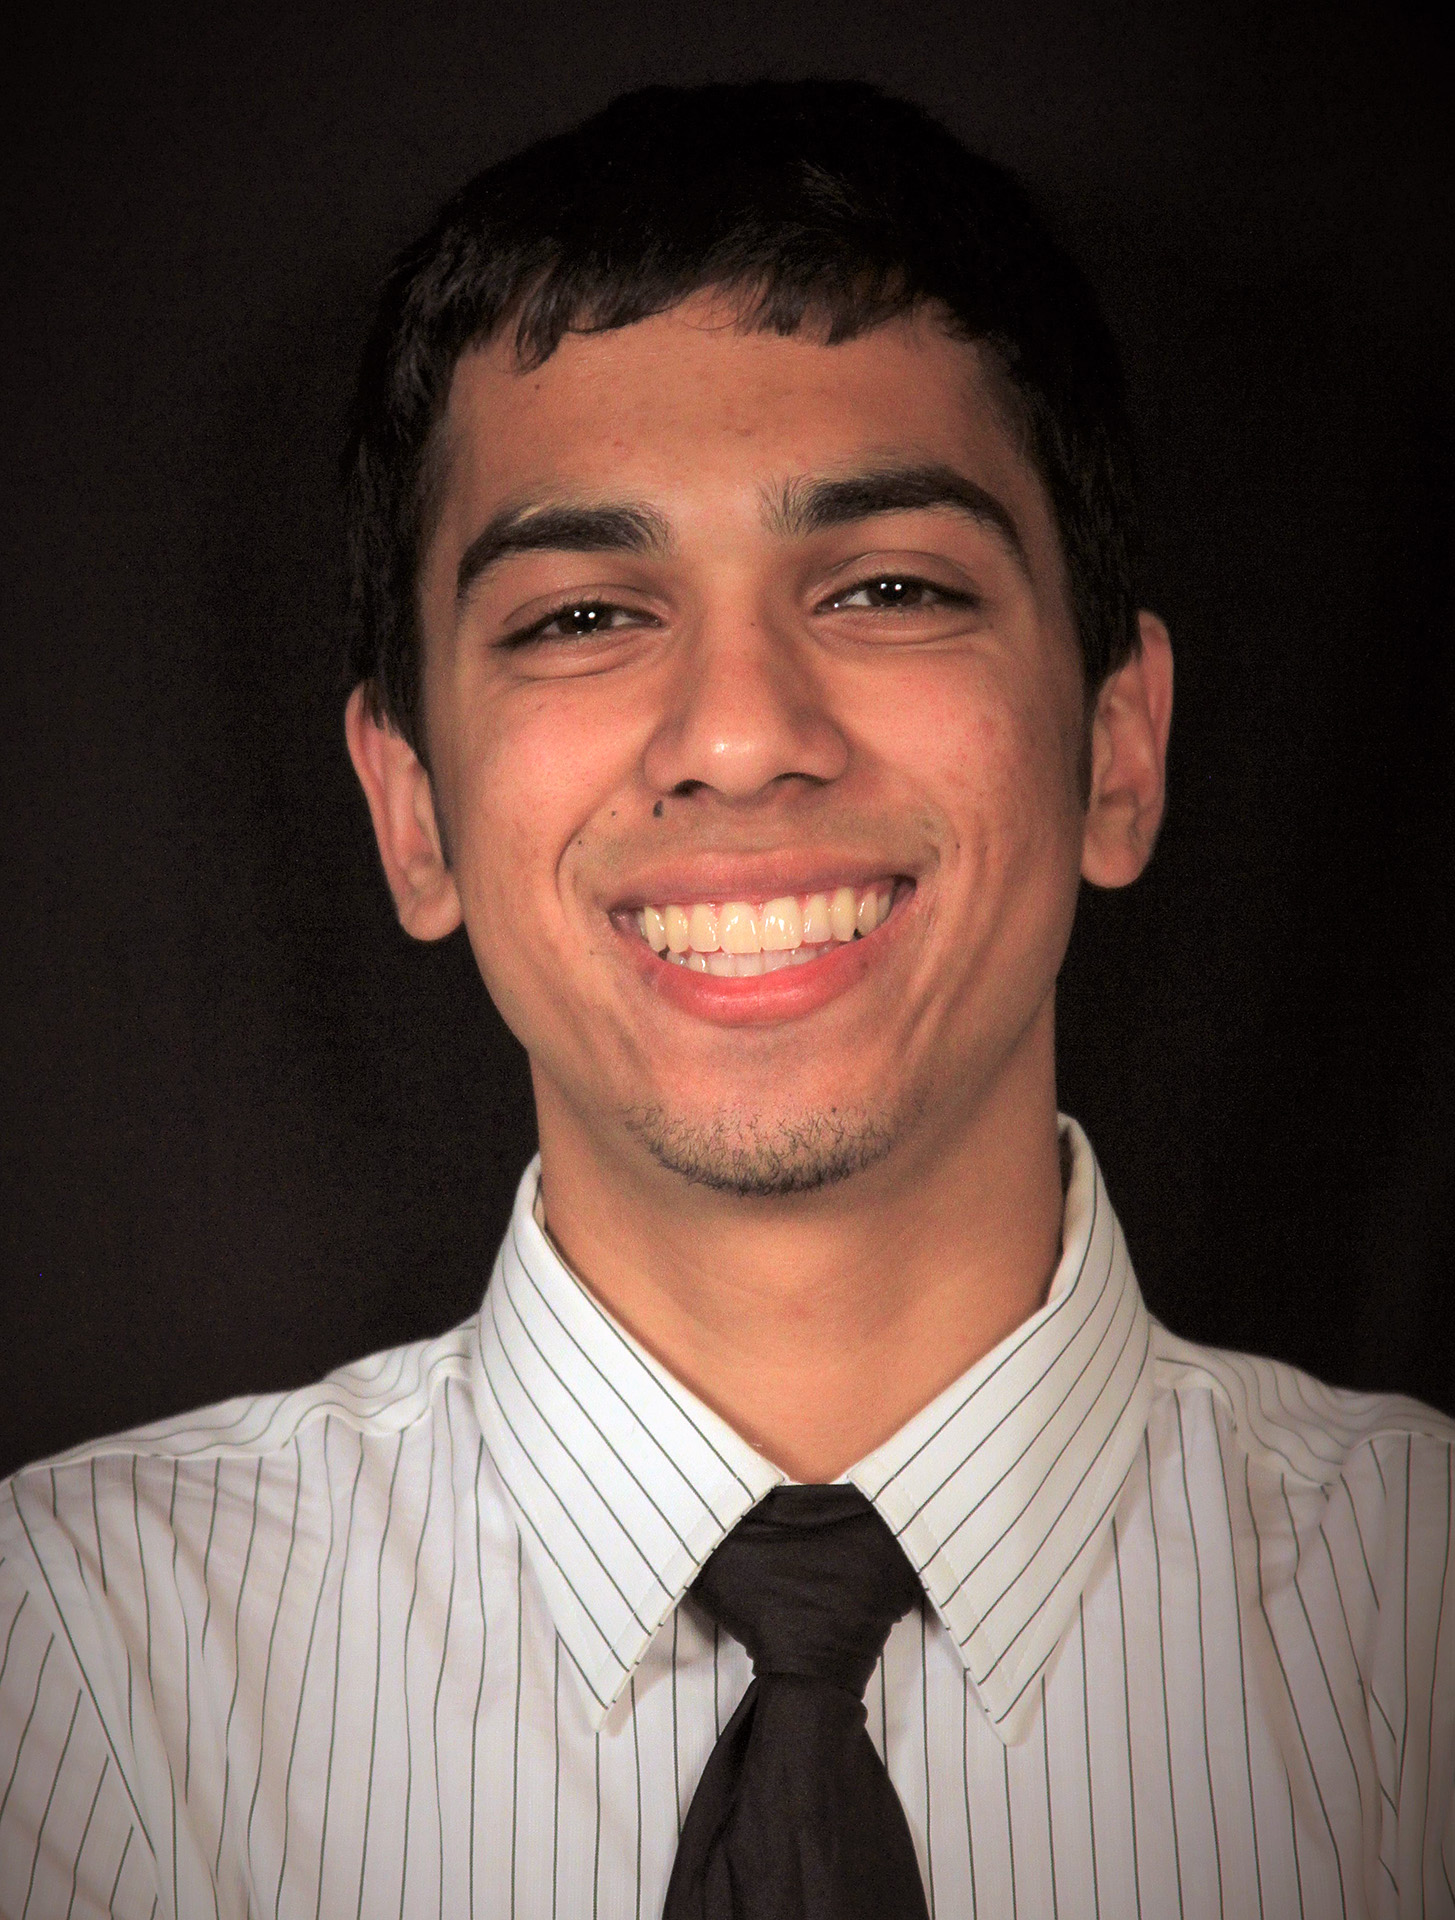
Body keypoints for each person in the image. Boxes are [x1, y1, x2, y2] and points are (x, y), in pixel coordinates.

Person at [1, 78, 1451, 1920]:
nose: (746, 734)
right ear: (412, 812)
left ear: (1117, 749)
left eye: (891, 585)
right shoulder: (61, 1678)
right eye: (583, 617)